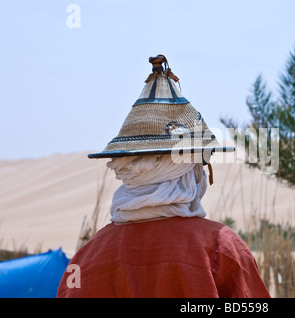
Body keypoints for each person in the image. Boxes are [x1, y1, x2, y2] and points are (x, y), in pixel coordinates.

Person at [56, 55, 270, 298]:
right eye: (200, 165)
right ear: (190, 172)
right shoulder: (222, 249)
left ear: (127, 170)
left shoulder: (86, 258)